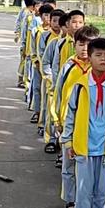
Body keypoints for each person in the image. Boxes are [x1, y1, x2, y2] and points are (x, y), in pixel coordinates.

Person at [61, 37, 105, 208]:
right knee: (83, 193)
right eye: (98, 55)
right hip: (84, 147)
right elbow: (70, 114)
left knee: (101, 193)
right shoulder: (80, 85)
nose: (103, 59)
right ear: (89, 58)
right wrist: (68, 141)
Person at [53, 25, 100, 208]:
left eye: (89, 45)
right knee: (69, 164)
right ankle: (70, 200)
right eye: (81, 44)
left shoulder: (98, 69)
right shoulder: (69, 67)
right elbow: (58, 93)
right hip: (69, 125)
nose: (84, 48)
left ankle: (85, 201)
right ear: (75, 45)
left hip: (91, 127)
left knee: (88, 167)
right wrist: (57, 119)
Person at [38, 8, 65, 147]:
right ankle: (51, 139)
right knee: (49, 110)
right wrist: (48, 76)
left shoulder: (78, 45)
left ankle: (63, 143)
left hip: (67, 86)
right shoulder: (51, 40)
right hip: (51, 81)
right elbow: (45, 60)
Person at [29, 3, 54, 126]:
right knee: (37, 88)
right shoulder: (36, 30)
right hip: (37, 64)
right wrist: (35, 61)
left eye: (50, 15)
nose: (48, 18)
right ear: (41, 16)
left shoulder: (55, 34)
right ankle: (37, 112)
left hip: (49, 68)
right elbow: (33, 48)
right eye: (46, 15)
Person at [16, 0, 36, 87]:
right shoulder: (28, 14)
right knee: (24, 61)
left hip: (25, 42)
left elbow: (18, 22)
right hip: (26, 43)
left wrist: (17, 33)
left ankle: (22, 79)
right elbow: (24, 28)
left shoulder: (24, 11)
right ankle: (21, 80)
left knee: (23, 61)